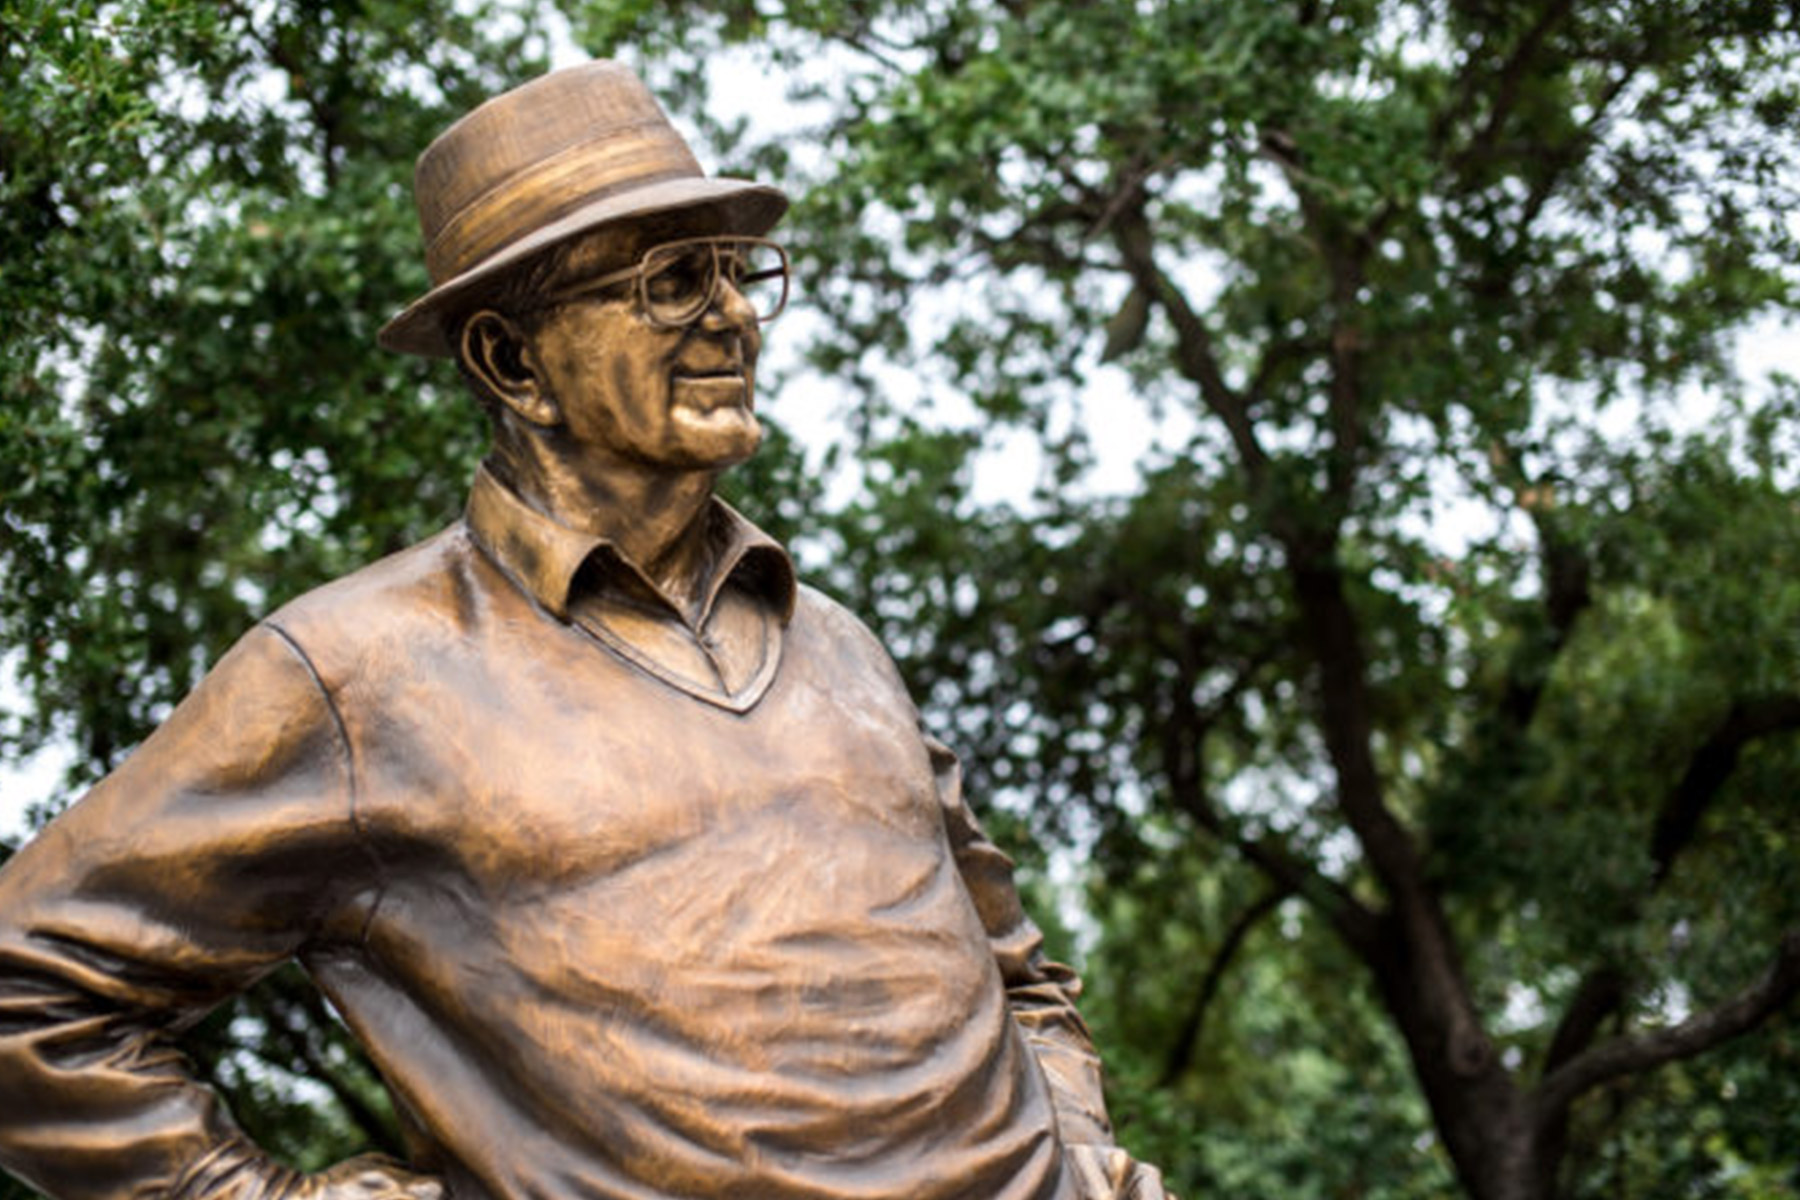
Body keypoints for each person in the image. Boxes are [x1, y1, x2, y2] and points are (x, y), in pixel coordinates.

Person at [0, 61, 1168, 1200]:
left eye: (737, 271)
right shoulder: (357, 674)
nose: (730, 318)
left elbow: (1024, 980)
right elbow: (25, 994)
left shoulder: (841, 646)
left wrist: (1077, 1150)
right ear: (513, 361)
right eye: (668, 281)